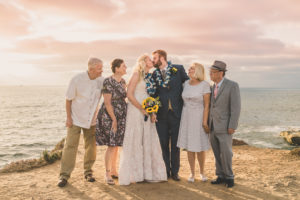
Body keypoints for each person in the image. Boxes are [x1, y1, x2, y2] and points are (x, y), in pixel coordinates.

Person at [118, 54, 167, 185]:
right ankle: (136, 174)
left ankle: (148, 173)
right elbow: (129, 94)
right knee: (136, 139)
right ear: (144, 62)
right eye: (150, 60)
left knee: (148, 139)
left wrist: (152, 112)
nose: (152, 61)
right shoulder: (136, 75)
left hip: (146, 109)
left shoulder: (149, 76)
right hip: (135, 109)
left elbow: (150, 96)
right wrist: (141, 108)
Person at [58, 57, 104, 187]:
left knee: (91, 146)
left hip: (92, 120)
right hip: (76, 118)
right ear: (91, 69)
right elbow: (68, 99)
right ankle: (64, 175)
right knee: (70, 146)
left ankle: (88, 172)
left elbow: (115, 84)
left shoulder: (101, 81)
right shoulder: (76, 79)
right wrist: (68, 118)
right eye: (99, 68)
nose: (102, 71)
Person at [145, 49, 189, 181]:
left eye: (155, 58)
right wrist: (152, 111)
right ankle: (165, 171)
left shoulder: (178, 69)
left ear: (162, 58)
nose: (153, 61)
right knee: (163, 144)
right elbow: (152, 94)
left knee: (176, 145)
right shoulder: (154, 74)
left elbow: (188, 85)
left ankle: (175, 172)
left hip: (177, 113)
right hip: (161, 114)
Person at [209, 60, 241, 188]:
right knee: (217, 153)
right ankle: (220, 175)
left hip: (225, 126)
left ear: (221, 73)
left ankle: (229, 177)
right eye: (210, 72)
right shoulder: (211, 87)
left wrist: (232, 125)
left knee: (226, 153)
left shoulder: (232, 85)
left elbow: (236, 108)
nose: (210, 74)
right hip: (212, 126)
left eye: (213, 72)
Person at [177, 63, 211, 182]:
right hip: (186, 117)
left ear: (198, 71)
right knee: (189, 147)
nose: (189, 70)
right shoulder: (185, 84)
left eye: (192, 68)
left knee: (200, 147)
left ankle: (202, 172)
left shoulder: (205, 85)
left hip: (199, 117)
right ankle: (192, 173)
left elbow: (207, 106)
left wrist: (204, 122)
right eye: (189, 68)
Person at [95, 58, 127, 185]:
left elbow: (125, 98)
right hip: (109, 115)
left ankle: (114, 171)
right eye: (124, 66)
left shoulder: (123, 81)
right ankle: (107, 173)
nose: (126, 68)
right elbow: (107, 103)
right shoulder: (108, 81)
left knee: (116, 144)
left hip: (121, 114)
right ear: (117, 68)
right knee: (111, 145)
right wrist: (114, 119)